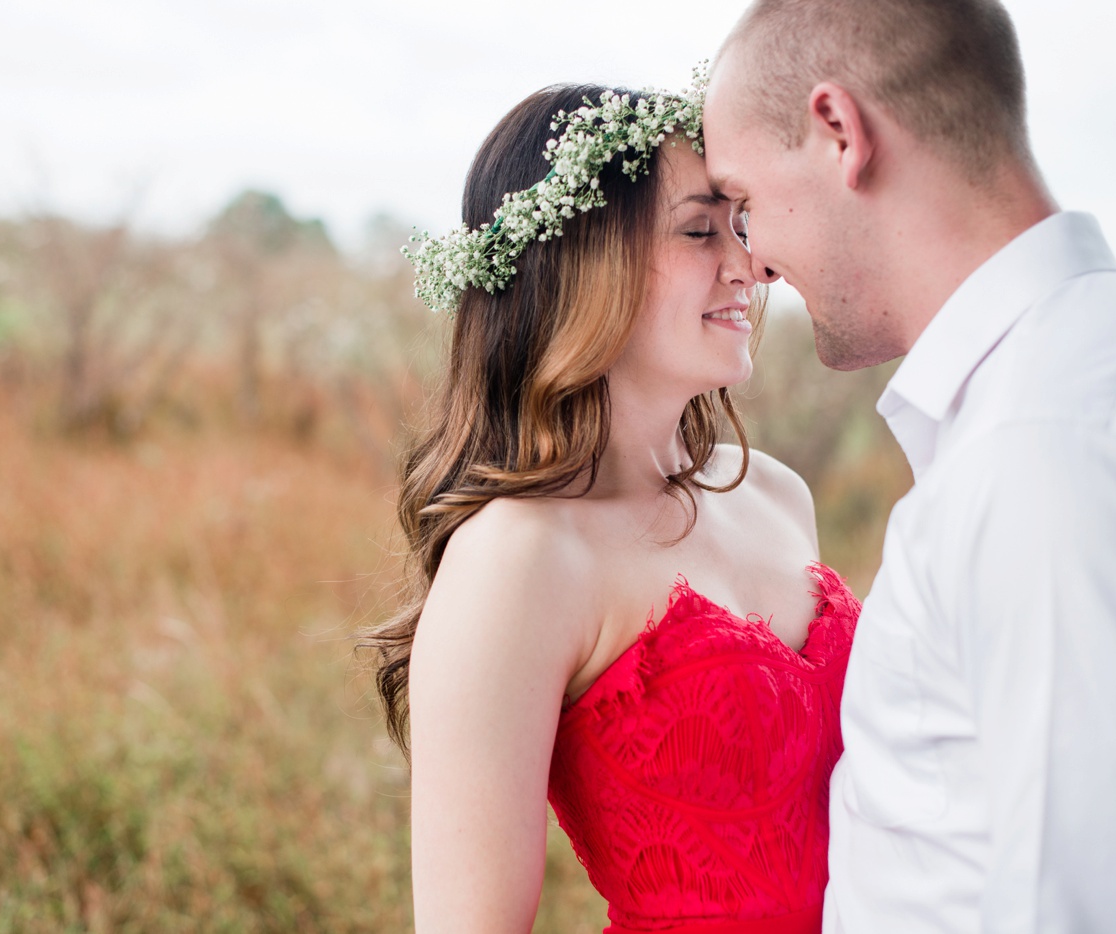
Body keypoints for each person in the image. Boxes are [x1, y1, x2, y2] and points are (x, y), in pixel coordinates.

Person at [702, 0, 1116, 931]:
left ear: (840, 131)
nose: (753, 263)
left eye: (746, 204)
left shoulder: (1044, 452)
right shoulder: (1084, 379)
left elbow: (1099, 905)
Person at [362, 80, 859, 932]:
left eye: (742, 225)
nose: (748, 264)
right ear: (578, 262)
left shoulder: (777, 493)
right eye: (702, 229)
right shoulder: (520, 556)